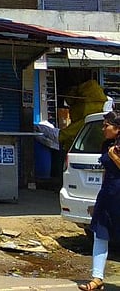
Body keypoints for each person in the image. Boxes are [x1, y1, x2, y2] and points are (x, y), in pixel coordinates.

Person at [78, 111, 120, 291]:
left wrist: (116, 157)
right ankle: (97, 278)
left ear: (117, 129)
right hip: (107, 195)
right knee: (100, 234)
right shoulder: (107, 145)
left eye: (106, 126)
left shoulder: (114, 150)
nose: (103, 129)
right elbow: (105, 172)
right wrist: (98, 201)